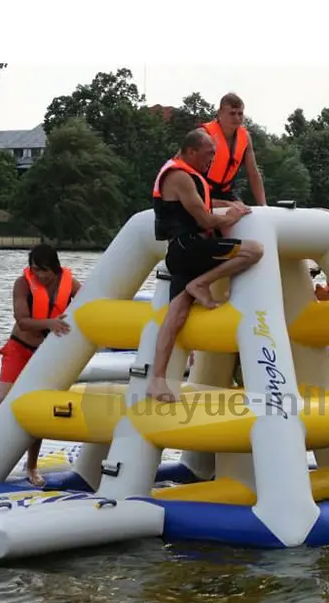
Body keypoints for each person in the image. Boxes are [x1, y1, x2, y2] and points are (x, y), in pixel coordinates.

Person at [146, 129, 263, 403]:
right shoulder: (180, 176)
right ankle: (200, 283)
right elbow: (206, 220)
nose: (211, 160)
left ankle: (157, 382)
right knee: (254, 250)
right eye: (209, 154)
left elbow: (206, 201)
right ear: (191, 151)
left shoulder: (183, 174)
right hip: (190, 249)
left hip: (182, 252)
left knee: (174, 318)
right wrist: (233, 215)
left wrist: (230, 203)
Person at [0, 244, 81, 486]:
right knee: (4, 403)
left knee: (39, 410)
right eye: (35, 270)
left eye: (44, 270)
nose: (40, 276)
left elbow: (89, 302)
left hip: (45, 353)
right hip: (19, 348)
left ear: (54, 268)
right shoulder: (22, 284)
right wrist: (50, 323)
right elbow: (23, 321)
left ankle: (32, 466)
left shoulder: (69, 282)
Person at [201, 92, 266, 207]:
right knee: (232, 208)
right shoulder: (204, 135)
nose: (237, 118)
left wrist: (264, 206)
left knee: (243, 210)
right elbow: (182, 165)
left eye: (240, 114)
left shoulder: (245, 137)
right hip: (201, 190)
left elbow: (253, 174)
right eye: (232, 113)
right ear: (220, 113)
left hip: (226, 191)